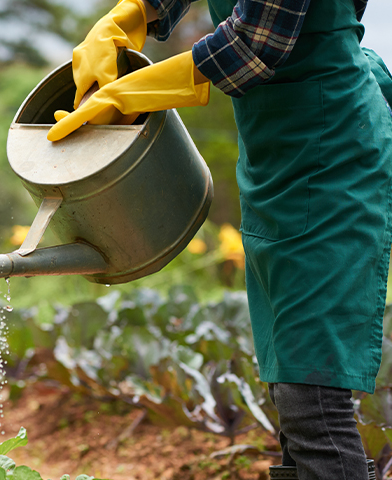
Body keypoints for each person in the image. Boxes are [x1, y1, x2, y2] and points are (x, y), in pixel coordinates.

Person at [50, 0, 392, 477]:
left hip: (333, 149)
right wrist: (128, 16)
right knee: (289, 379)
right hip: (276, 154)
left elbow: (252, 44)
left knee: (312, 396)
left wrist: (133, 92)